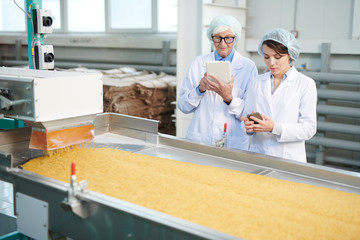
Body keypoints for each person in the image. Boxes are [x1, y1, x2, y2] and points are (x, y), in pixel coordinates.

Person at [177, 15, 258, 150]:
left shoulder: (248, 67)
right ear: (211, 37)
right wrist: (199, 90)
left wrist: (229, 99)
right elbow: (183, 106)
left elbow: (251, 113)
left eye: (228, 38)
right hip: (200, 138)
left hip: (233, 142)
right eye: (217, 38)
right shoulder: (198, 63)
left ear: (235, 38)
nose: (222, 43)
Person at [240, 28, 317, 162]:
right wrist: (248, 127)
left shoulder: (305, 84)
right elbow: (246, 118)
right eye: (266, 57)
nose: (271, 63)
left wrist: (274, 128)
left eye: (277, 57)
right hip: (259, 154)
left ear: (290, 55)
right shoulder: (256, 82)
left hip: (289, 158)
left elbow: (308, 129)